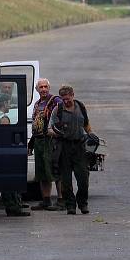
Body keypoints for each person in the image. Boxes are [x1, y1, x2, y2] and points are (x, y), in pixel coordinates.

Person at [48, 85, 92, 215]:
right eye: (63, 99)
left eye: (67, 99)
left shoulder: (80, 107)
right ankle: (70, 206)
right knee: (65, 181)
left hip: (79, 146)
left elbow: (86, 123)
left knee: (83, 178)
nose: (66, 101)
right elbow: (49, 129)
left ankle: (83, 203)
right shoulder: (58, 110)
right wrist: (57, 133)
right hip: (64, 147)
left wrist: (91, 134)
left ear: (73, 95)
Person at [29, 79, 64, 211]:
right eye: (41, 87)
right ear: (37, 89)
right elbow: (35, 126)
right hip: (39, 141)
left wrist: (57, 133)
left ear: (49, 88)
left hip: (51, 141)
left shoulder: (56, 101)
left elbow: (63, 117)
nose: (43, 89)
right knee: (42, 172)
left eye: (45, 87)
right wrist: (31, 144)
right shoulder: (37, 104)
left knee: (55, 170)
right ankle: (46, 200)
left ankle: (61, 200)